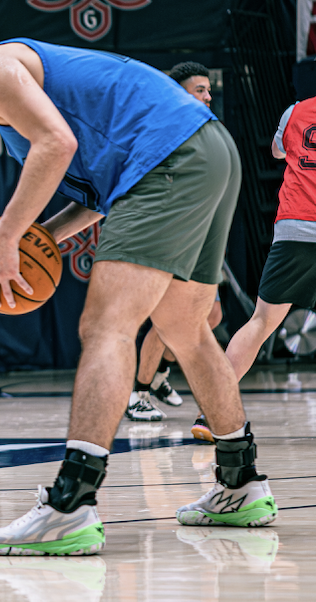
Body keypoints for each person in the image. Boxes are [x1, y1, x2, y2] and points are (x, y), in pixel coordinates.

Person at [0, 0, 277, 556]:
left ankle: (70, 504)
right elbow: (99, 194)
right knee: (185, 329)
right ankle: (242, 482)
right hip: (209, 150)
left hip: (168, 158)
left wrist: (7, 238)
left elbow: (57, 146)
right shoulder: (19, 76)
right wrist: (40, 236)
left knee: (106, 328)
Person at [220, 41, 316, 417]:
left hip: (296, 228)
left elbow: (278, 152)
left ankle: (212, 410)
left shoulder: (296, 112)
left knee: (262, 322)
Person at [127, 61, 224, 423]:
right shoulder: (162, 130)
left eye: (208, 89)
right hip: (170, 234)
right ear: (178, 93)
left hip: (201, 234)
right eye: (200, 89)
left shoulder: (204, 129)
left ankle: (162, 376)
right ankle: (138, 394)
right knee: (167, 320)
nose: (208, 95)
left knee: (210, 315)